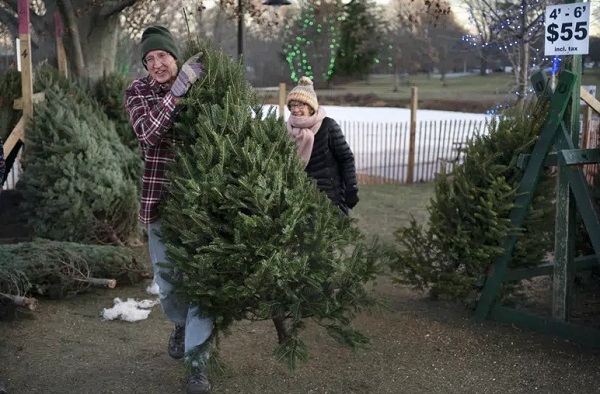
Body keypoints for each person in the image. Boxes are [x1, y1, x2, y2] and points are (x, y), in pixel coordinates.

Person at [124, 25, 212, 394]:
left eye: (163, 55)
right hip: (159, 203)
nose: (157, 64)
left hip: (202, 205)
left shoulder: (205, 89)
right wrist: (177, 93)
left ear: (175, 56)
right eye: (150, 59)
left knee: (203, 285)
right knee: (169, 283)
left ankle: (197, 363)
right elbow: (148, 133)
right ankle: (178, 323)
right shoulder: (137, 92)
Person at [285, 76, 359, 214]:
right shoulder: (286, 130)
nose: (295, 109)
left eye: (301, 105)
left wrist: (351, 188)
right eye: (292, 105)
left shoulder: (328, 126)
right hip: (299, 201)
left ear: (311, 107)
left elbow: (346, 158)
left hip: (330, 199)